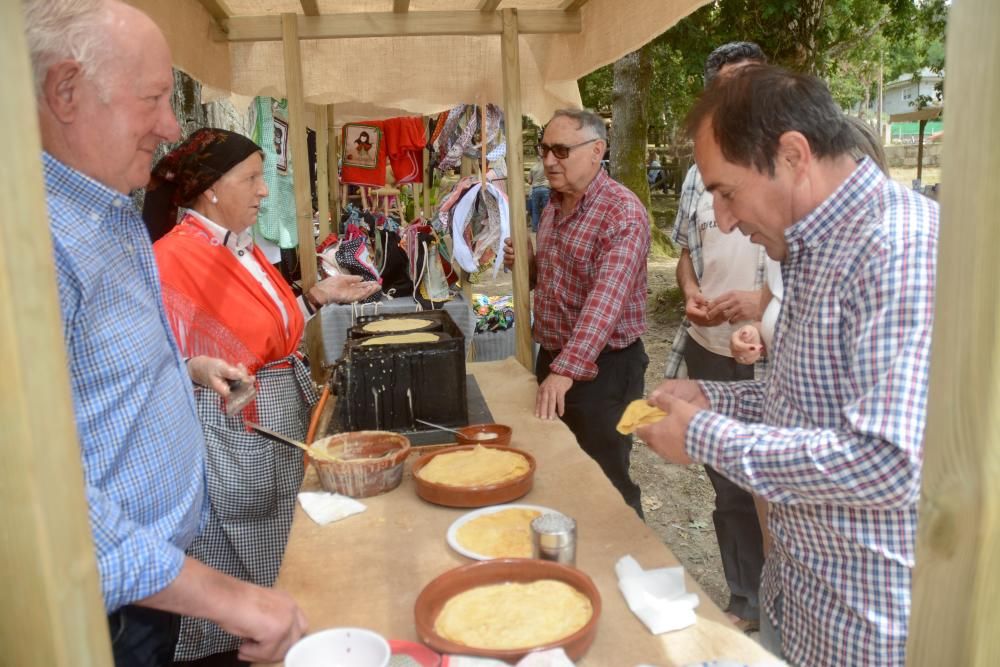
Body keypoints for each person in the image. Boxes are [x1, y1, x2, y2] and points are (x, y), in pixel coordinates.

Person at [26, 1, 308, 664]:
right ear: (65, 90)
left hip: (153, 594)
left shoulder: (109, 208)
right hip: (110, 615)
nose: (171, 124)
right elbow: (44, 496)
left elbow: (88, 375)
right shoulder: (29, 242)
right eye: (152, 97)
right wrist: (227, 596)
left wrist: (186, 369)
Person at [636, 64, 938, 666]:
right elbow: (807, 405)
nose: (721, 220)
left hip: (863, 631)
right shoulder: (811, 246)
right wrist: (714, 397)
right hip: (797, 601)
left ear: (793, 155)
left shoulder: (898, 248)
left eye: (726, 191)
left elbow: (890, 462)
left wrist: (705, 435)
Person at [142, 129, 380, 663]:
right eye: (250, 178)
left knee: (279, 547)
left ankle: (272, 634)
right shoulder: (171, 260)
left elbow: (266, 329)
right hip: (230, 430)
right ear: (209, 190)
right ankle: (237, 647)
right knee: (239, 553)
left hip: (268, 423)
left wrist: (316, 295)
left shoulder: (237, 248)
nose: (263, 191)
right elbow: (158, 362)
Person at [662, 41, 768, 632]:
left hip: (764, 354)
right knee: (729, 492)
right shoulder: (696, 173)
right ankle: (745, 599)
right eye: (727, 86)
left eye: (751, 81)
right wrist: (691, 293)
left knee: (768, 490)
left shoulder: (780, 169)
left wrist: (760, 308)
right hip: (708, 349)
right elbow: (683, 251)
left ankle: (772, 598)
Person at [503, 108, 649, 518]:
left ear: (597, 151)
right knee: (557, 470)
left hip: (606, 370)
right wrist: (528, 265)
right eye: (545, 148)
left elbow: (606, 302)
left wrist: (565, 370)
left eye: (562, 150)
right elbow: (550, 283)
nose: (549, 160)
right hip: (556, 361)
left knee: (606, 479)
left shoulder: (622, 212)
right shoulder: (551, 206)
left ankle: (626, 563)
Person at [526, 159, 550, 232]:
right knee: (547, 210)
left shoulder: (533, 167)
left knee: (535, 210)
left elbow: (529, 181)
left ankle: (535, 228)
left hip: (535, 190)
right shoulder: (547, 166)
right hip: (546, 189)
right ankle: (547, 228)